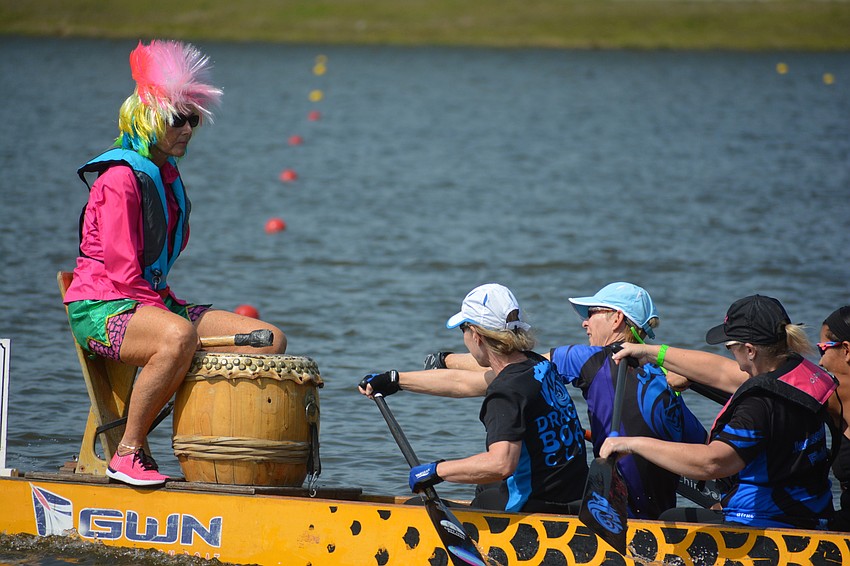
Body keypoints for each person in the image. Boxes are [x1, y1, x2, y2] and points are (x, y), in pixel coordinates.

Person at [63, 40, 286, 487]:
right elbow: (124, 274)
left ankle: (208, 452)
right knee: (179, 335)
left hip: (150, 304)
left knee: (267, 341)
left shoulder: (165, 175)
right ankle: (126, 454)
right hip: (103, 309)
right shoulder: (120, 180)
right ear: (148, 120)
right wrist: (175, 330)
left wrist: (172, 323)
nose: (187, 129)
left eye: (193, 119)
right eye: (177, 119)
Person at [428, 282, 707, 519]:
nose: (584, 321)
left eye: (591, 313)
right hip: (657, 515)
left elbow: (511, 365)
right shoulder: (666, 385)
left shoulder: (588, 359)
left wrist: (444, 360)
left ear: (617, 319)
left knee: (491, 489)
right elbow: (701, 448)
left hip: (612, 517)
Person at [601, 295, 838, 530]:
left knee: (668, 522)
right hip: (814, 510)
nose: (730, 355)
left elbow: (713, 463)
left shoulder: (758, 405)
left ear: (750, 350)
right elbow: (721, 373)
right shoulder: (799, 371)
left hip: (771, 525)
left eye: (730, 347)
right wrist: (648, 352)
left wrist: (633, 444)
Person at [359, 283, 588, 513]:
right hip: (572, 494)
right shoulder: (538, 365)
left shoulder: (507, 392)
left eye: (463, 330)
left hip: (537, 507)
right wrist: (396, 379)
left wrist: (436, 471)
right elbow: (461, 382)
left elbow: (501, 463)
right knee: (484, 487)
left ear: (476, 335)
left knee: (416, 508)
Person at [817, 306, 850, 531]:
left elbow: (775, 384)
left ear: (846, 349)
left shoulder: (843, 392)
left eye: (823, 349)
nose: (820, 363)